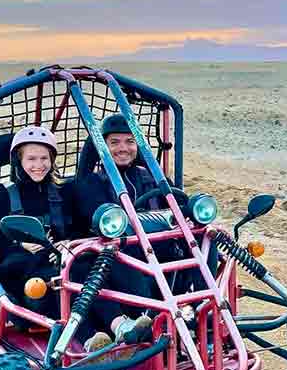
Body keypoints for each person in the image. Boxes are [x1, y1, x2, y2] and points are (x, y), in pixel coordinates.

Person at [0, 125, 149, 348]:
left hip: (65, 257)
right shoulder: (3, 196)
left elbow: (82, 227)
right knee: (62, 278)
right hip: (25, 268)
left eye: (45, 158)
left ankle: (119, 326)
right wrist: (22, 243)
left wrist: (67, 243)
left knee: (90, 266)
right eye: (31, 158)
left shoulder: (65, 191)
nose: (39, 165)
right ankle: (94, 336)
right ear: (18, 161)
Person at [73, 114, 221, 351]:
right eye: (115, 142)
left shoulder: (151, 177)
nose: (124, 148)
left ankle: (205, 306)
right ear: (103, 147)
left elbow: (179, 204)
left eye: (130, 142)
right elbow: (95, 220)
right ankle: (149, 319)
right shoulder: (90, 183)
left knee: (205, 234)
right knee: (114, 246)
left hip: (161, 255)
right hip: (124, 263)